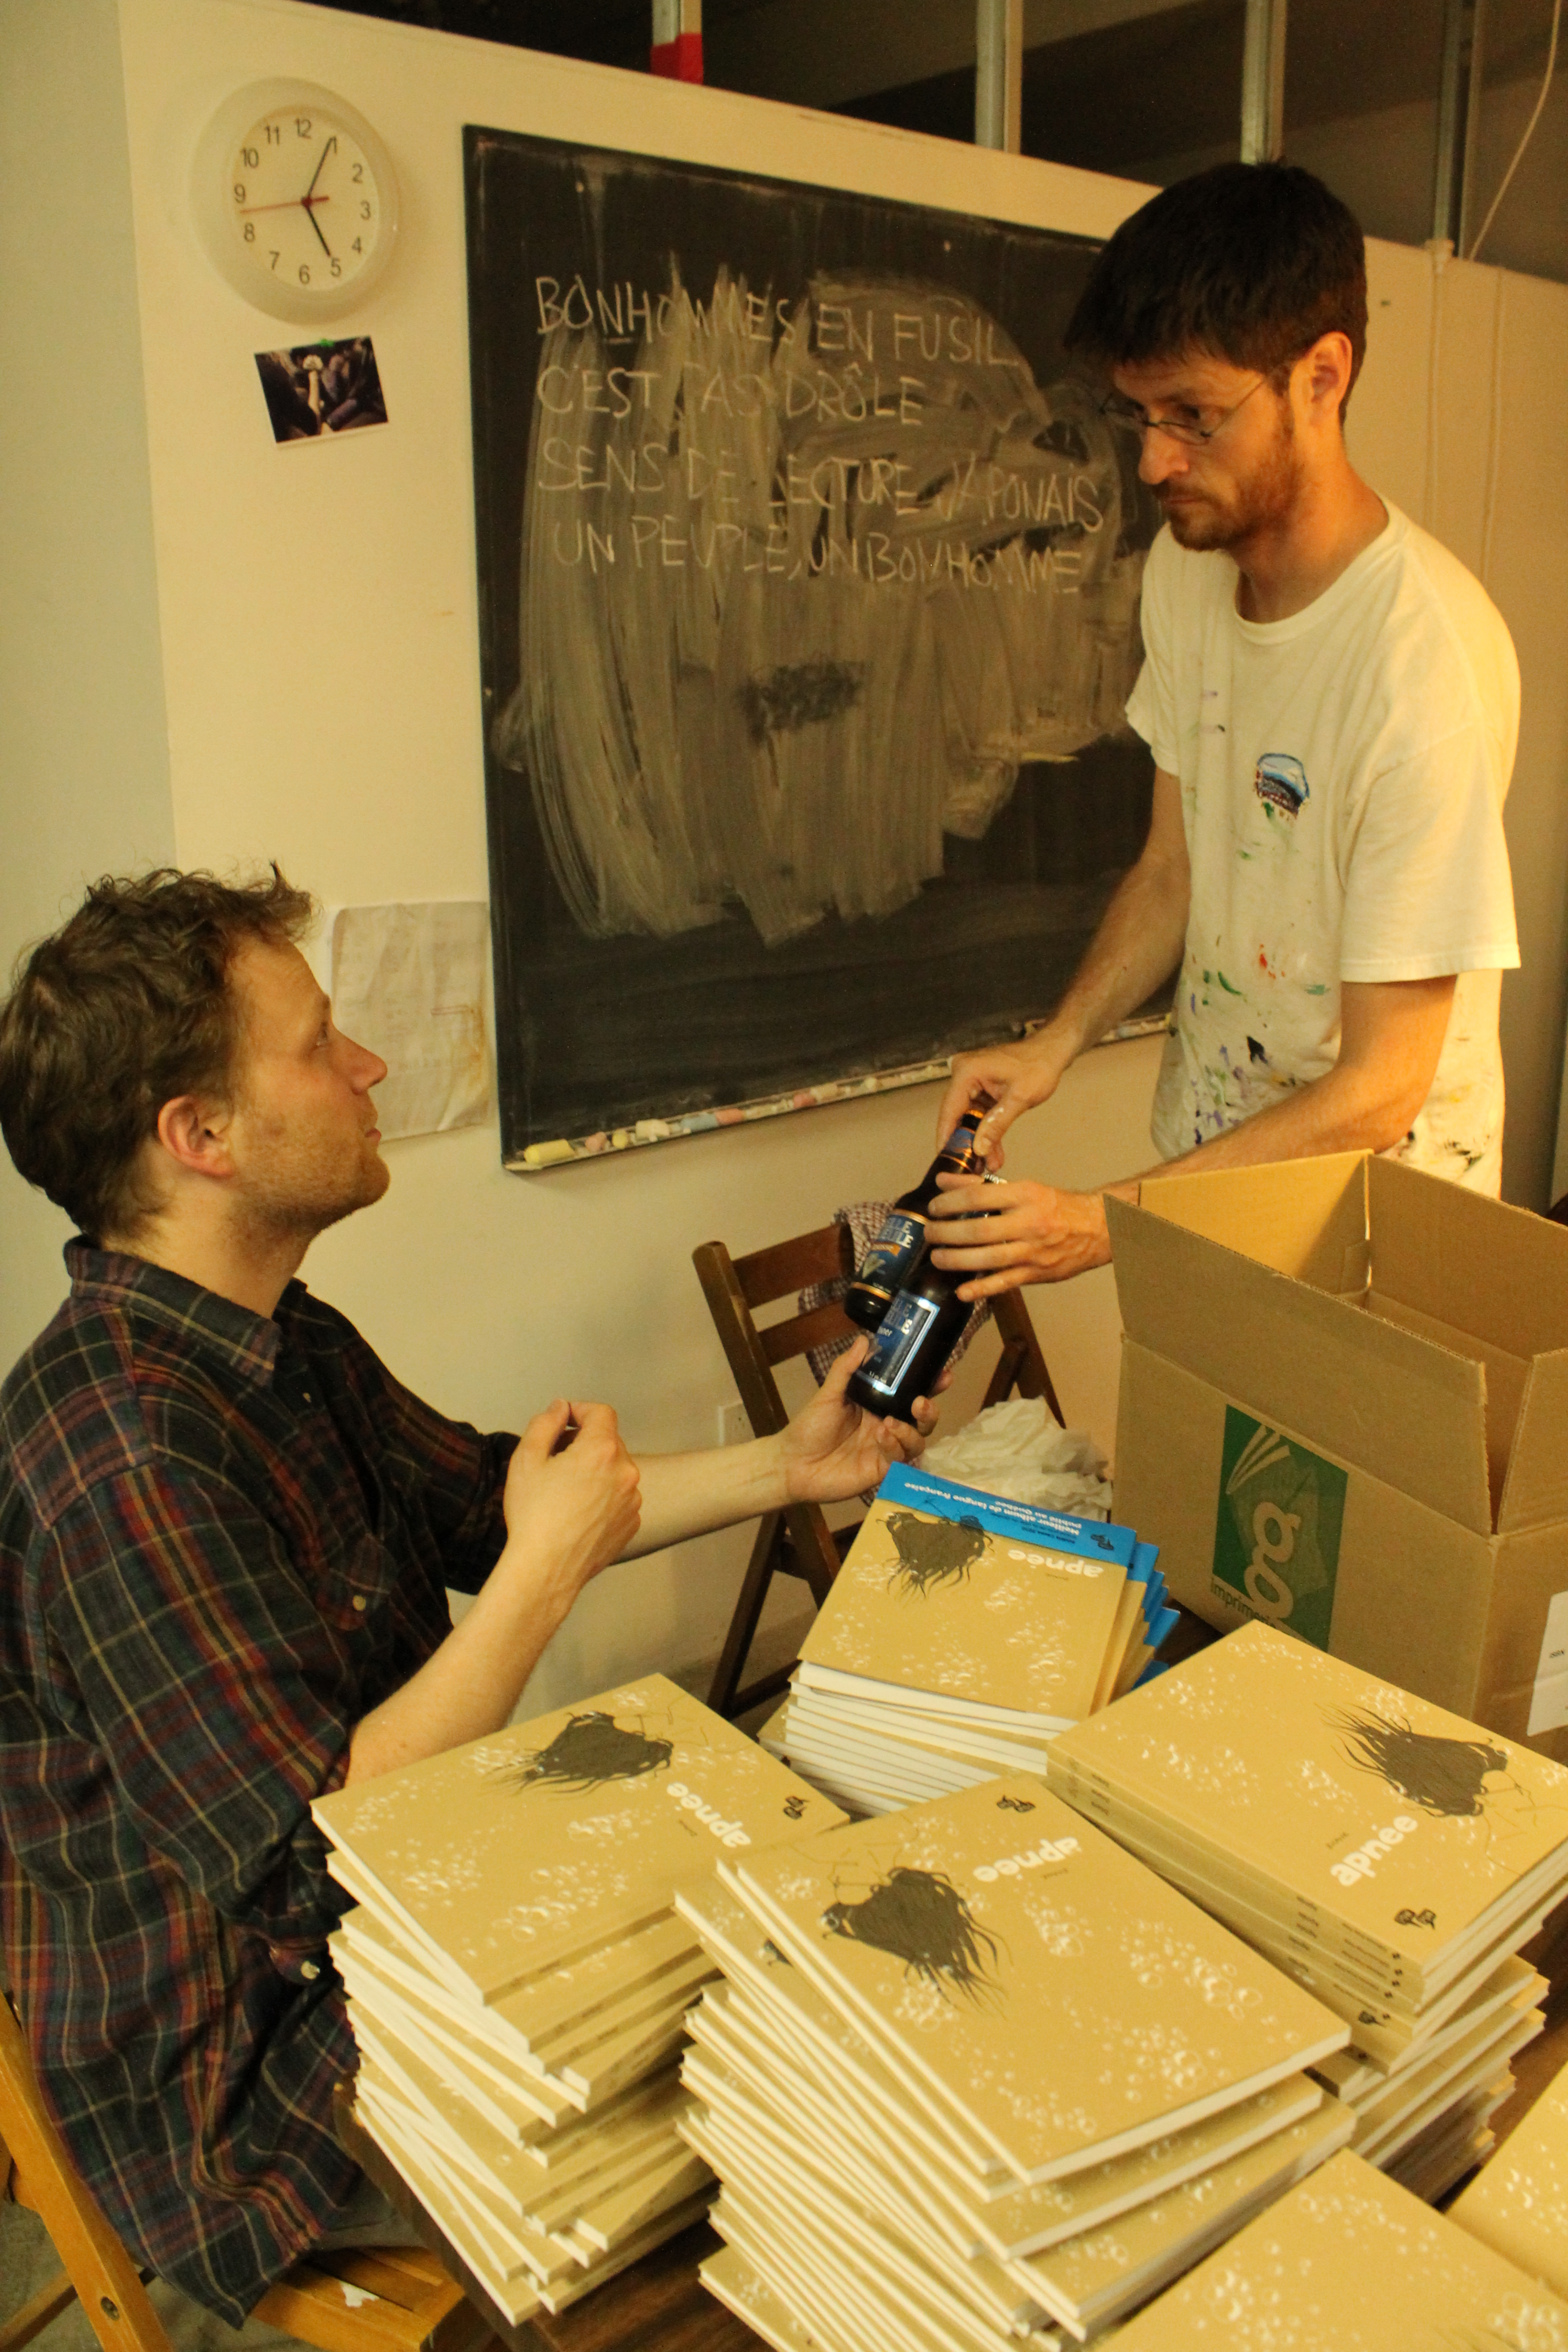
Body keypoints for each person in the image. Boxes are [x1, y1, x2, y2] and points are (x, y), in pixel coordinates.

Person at [0, 868, 934, 2325]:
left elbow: (493, 1501)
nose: (367, 1066)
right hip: (260, 2073)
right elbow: (308, 1858)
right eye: (319, 1045)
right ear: (201, 1138)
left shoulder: (272, 1335)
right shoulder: (124, 1452)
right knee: (785, 2096)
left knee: (816, 1927)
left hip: (394, 1912)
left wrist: (789, 1468)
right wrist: (544, 1570)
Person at [924, 161, 1520, 1301]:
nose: (1155, 461)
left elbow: (1383, 1086)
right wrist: (1055, 1043)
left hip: (1382, 1242)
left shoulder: (1421, 665)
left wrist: (1101, 1224)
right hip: (1210, 1191)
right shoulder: (1186, 574)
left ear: (1321, 377)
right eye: (1138, 416)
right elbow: (1173, 868)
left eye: (1193, 417)